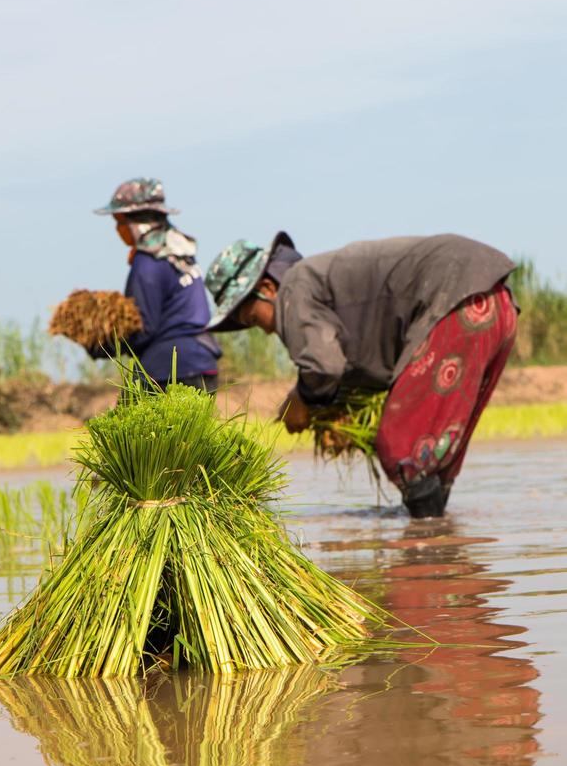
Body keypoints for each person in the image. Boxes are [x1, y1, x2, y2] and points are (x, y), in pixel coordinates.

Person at [205, 232, 518, 517]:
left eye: (252, 318)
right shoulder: (316, 283)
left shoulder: (293, 289)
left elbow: (324, 366)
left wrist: (300, 400)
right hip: (494, 306)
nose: (263, 330)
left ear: (267, 288)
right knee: (436, 458)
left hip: (457, 303)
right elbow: (349, 363)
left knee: (402, 448)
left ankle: (429, 560)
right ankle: (442, 542)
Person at [92, 177, 220, 390]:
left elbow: (143, 328)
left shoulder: (147, 263)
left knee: (126, 423)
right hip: (204, 363)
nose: (118, 229)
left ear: (136, 222)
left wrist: (104, 346)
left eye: (120, 222)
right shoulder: (180, 253)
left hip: (167, 371)